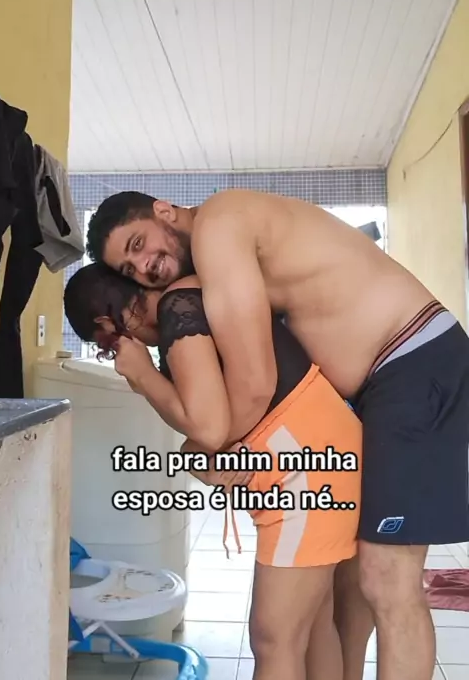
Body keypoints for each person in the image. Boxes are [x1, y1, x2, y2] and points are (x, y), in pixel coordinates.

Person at [85, 189, 469, 680]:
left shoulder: (219, 226)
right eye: (130, 268)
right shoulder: (209, 267)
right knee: (350, 587)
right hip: (373, 389)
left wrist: (207, 450)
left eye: (139, 244)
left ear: (164, 210)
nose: (145, 267)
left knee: (387, 581)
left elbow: (255, 383)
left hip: (410, 361)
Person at [64, 262, 367, 680]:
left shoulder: (178, 310)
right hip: (316, 457)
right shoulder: (180, 331)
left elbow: (206, 430)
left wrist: (144, 376)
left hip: (304, 469)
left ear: (105, 324)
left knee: (273, 638)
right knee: (311, 626)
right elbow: (199, 437)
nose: (111, 354)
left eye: (104, 346)